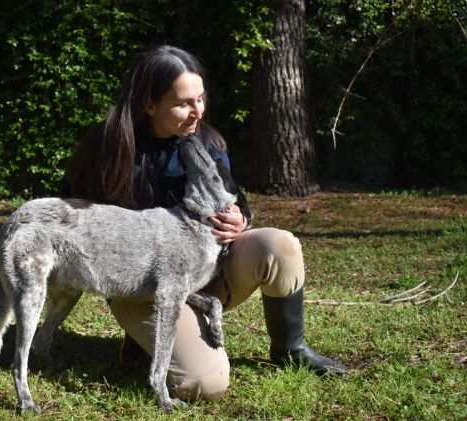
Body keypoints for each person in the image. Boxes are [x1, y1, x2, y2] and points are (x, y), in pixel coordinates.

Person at [61, 45, 346, 402]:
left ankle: (291, 348)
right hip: (147, 286)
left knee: (280, 244)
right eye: (183, 103)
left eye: (201, 99)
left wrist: (241, 218)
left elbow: (233, 196)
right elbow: (73, 212)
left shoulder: (207, 141)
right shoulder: (109, 146)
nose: (197, 112)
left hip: (209, 269)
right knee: (204, 384)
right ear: (149, 104)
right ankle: (143, 343)